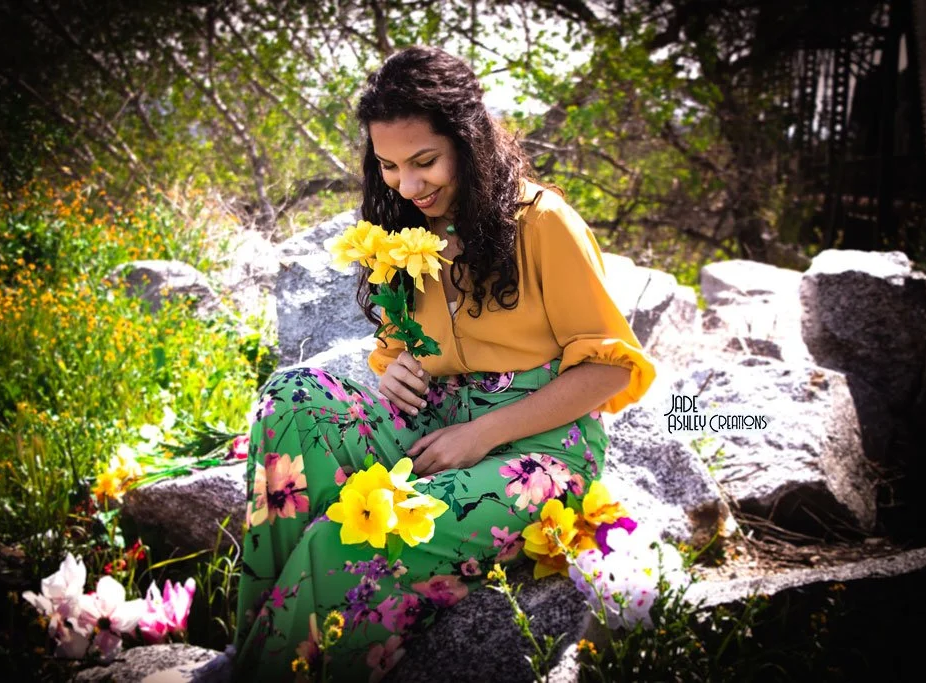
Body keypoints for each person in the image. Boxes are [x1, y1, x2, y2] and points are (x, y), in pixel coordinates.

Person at [231, 46, 656, 681]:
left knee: (355, 532)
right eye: (390, 166)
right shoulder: (406, 230)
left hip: (541, 453)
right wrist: (392, 368)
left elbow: (610, 371)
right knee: (290, 401)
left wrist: (479, 434)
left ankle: (297, 662)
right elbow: (400, 342)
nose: (408, 185)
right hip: (436, 424)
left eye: (425, 161)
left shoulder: (541, 222)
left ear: (469, 139)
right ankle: (265, 649)